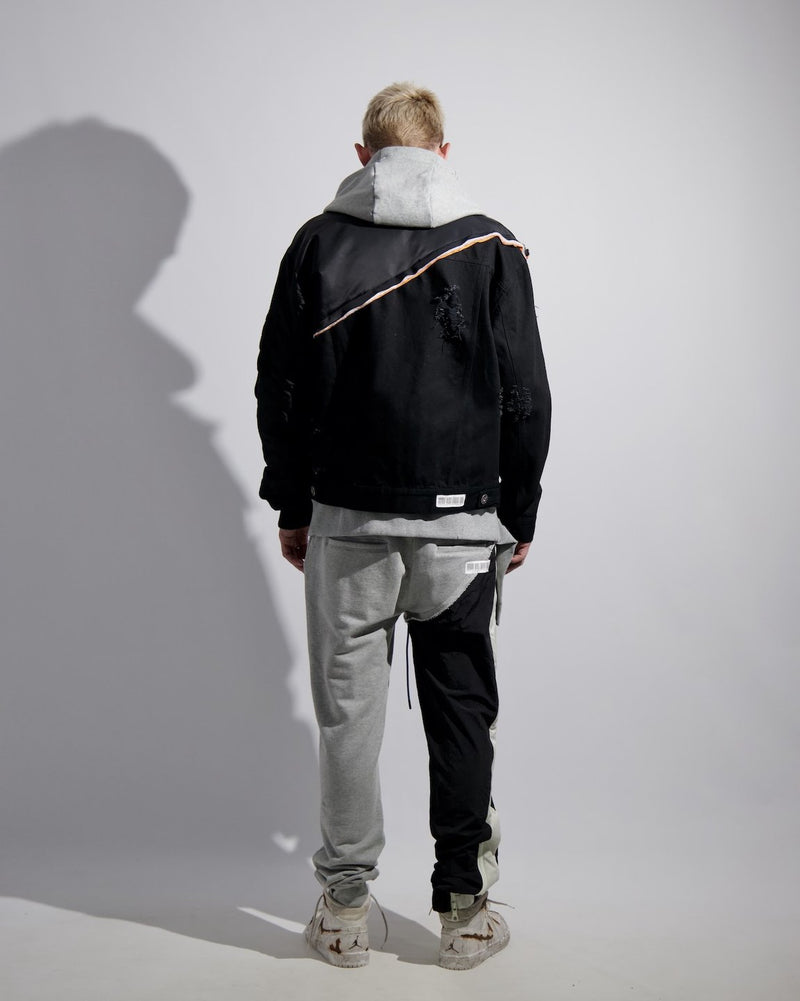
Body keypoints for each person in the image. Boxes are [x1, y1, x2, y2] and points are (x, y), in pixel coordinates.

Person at [255, 82, 551, 970]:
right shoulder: (491, 243)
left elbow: (279, 385)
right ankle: (464, 911)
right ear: (443, 152)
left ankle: (345, 909)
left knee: (348, 717)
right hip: (462, 531)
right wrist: (519, 510)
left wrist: (293, 503)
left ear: (363, 156)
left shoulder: (317, 242)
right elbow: (526, 392)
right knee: (461, 712)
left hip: (346, 523)